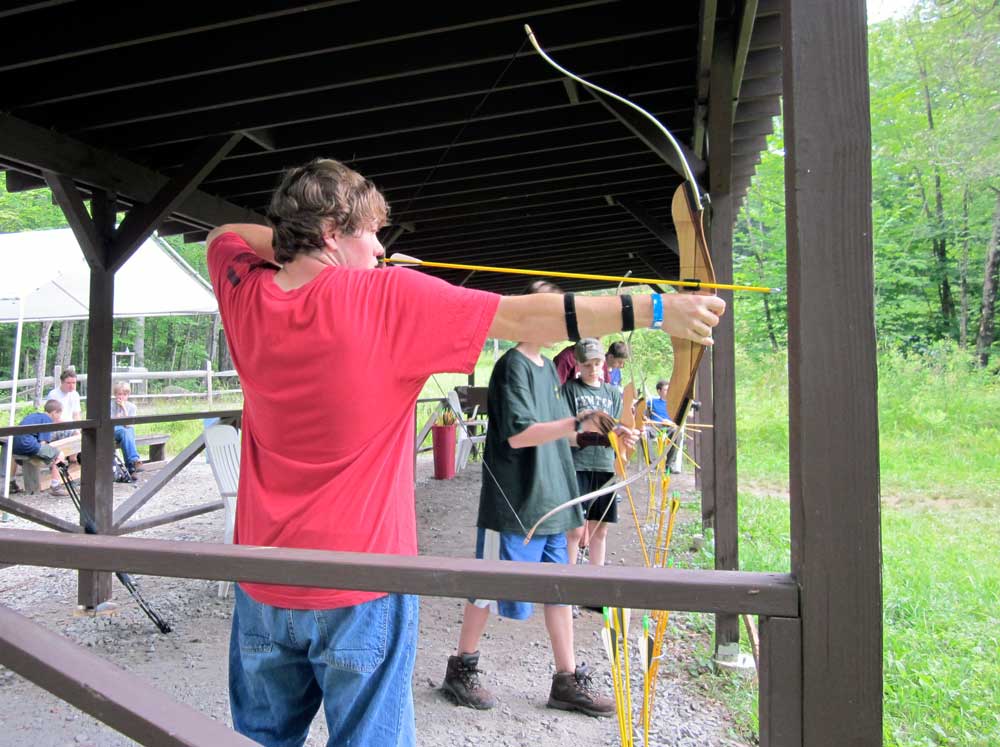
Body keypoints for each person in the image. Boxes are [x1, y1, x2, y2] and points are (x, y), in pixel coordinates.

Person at [205, 157, 725, 747]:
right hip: (359, 582)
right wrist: (658, 308)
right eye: (369, 232)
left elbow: (221, 236)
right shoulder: (385, 296)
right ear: (330, 232)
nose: (380, 246)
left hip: (261, 582)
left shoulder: (245, 293)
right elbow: (523, 315)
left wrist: (312, 253)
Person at [441, 288, 635, 718]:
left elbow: (560, 433)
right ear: (532, 316)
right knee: (488, 586)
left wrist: (605, 432)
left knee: (558, 589)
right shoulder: (512, 366)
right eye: (555, 313)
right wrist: (578, 419)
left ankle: (567, 681)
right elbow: (519, 434)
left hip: (552, 497)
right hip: (516, 500)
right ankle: (461, 668)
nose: (565, 322)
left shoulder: (549, 369)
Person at [563, 339, 623, 571]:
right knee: (575, 529)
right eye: (587, 364)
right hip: (577, 465)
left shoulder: (612, 393)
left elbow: (618, 429)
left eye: (597, 364)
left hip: (606, 466)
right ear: (578, 364)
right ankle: (568, 578)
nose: (593, 369)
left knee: (601, 528)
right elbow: (565, 430)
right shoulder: (570, 390)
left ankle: (595, 581)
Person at [12, 399, 68, 496]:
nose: (59, 417)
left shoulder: (34, 416)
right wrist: (50, 453)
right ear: (54, 413)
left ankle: (11, 482)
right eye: (59, 414)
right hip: (28, 445)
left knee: (51, 452)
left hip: (16, 446)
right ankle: (56, 486)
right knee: (59, 454)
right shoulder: (47, 420)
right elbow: (43, 443)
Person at [111, 382, 143, 474]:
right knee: (126, 432)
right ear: (115, 394)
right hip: (113, 431)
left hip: (126, 431)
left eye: (124, 394)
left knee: (127, 433)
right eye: (119, 394)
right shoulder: (110, 405)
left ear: (128, 395)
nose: (122, 397)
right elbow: (110, 424)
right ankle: (134, 461)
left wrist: (124, 409)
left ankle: (131, 469)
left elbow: (129, 425)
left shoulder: (132, 407)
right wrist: (117, 418)